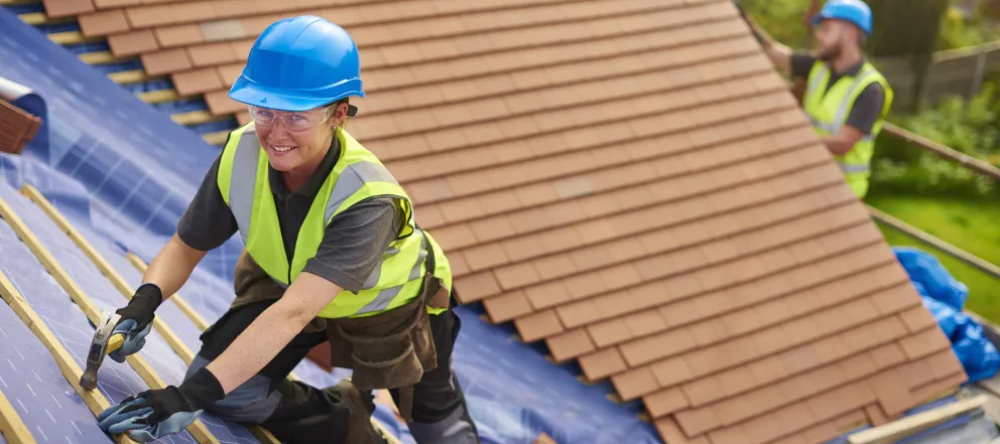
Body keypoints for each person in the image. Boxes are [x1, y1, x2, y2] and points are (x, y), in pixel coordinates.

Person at [95, 15, 481, 444]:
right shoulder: (242, 152)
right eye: (263, 111)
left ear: (338, 114)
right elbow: (187, 246)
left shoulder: (368, 199)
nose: (275, 134)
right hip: (291, 288)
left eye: (296, 117)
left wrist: (186, 398)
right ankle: (345, 417)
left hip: (392, 312)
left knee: (437, 429)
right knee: (225, 390)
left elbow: (294, 313)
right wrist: (142, 304)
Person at [747, 0, 894, 199]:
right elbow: (773, 53)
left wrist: (793, 141)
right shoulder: (819, 66)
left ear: (849, 34)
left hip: (843, 194)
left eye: (826, 29)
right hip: (812, 180)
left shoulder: (871, 89)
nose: (819, 36)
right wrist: (741, 17)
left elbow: (843, 143)